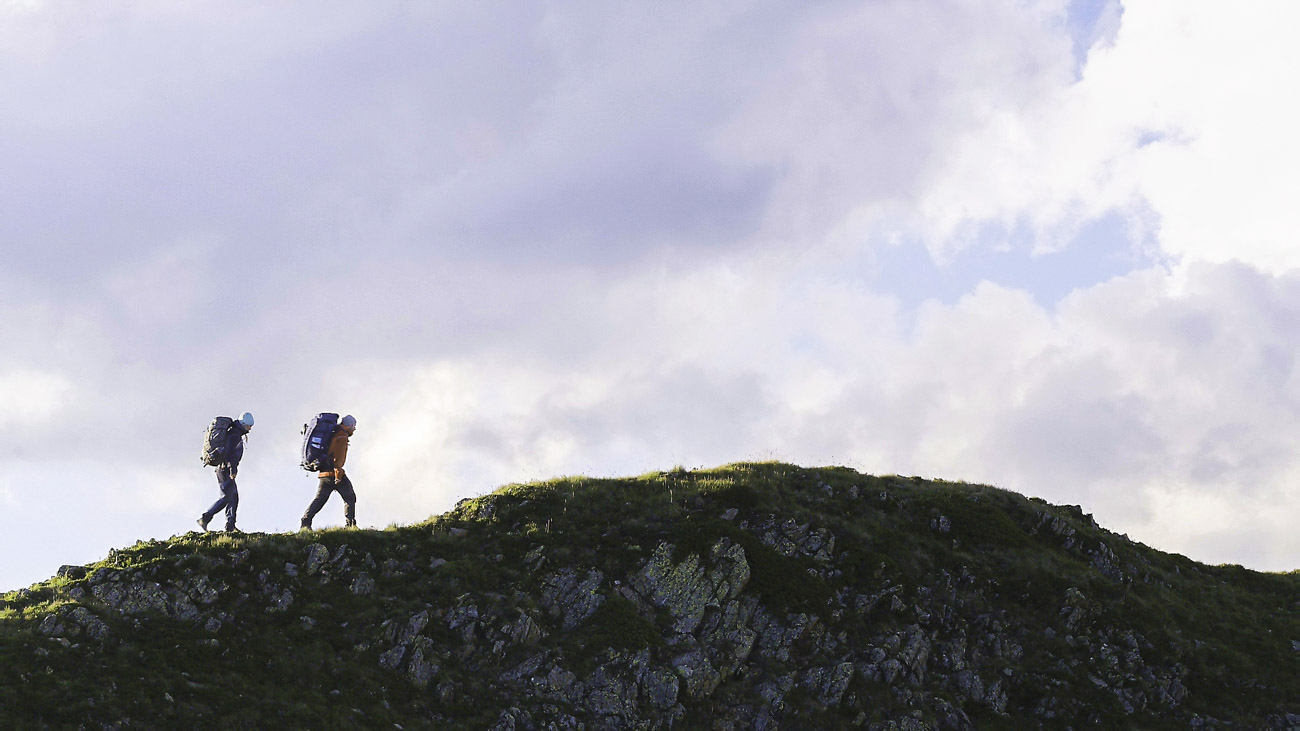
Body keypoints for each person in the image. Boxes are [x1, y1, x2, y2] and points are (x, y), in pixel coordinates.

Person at [198, 412, 254, 532]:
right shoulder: (235, 434)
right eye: (249, 426)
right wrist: (232, 469)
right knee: (227, 496)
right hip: (225, 469)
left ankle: (230, 526)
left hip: (223, 468)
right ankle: (205, 518)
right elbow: (230, 453)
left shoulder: (235, 432)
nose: (250, 429)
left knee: (233, 496)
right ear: (244, 424)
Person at [301, 414, 357, 530]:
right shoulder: (342, 436)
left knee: (320, 499)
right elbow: (338, 458)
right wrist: (338, 474)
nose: (354, 429)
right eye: (353, 426)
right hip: (334, 473)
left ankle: (305, 522)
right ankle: (350, 525)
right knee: (350, 497)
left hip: (324, 473)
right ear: (348, 425)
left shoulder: (333, 432)